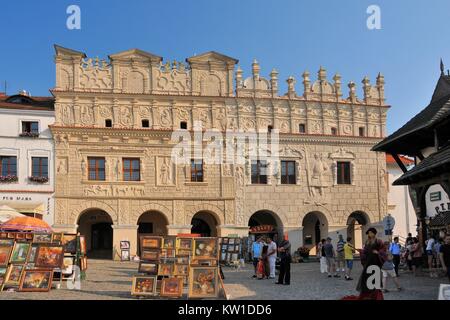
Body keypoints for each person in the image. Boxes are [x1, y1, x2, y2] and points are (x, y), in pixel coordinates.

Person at [356, 227, 387, 299]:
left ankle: (375, 295)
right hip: (368, 262)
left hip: (375, 262)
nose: (369, 234)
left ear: (374, 233)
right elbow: (365, 252)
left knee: (375, 279)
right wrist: (361, 251)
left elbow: (384, 250)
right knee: (366, 277)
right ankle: (366, 295)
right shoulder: (367, 242)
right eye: (368, 233)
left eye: (370, 233)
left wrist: (378, 252)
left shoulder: (379, 241)